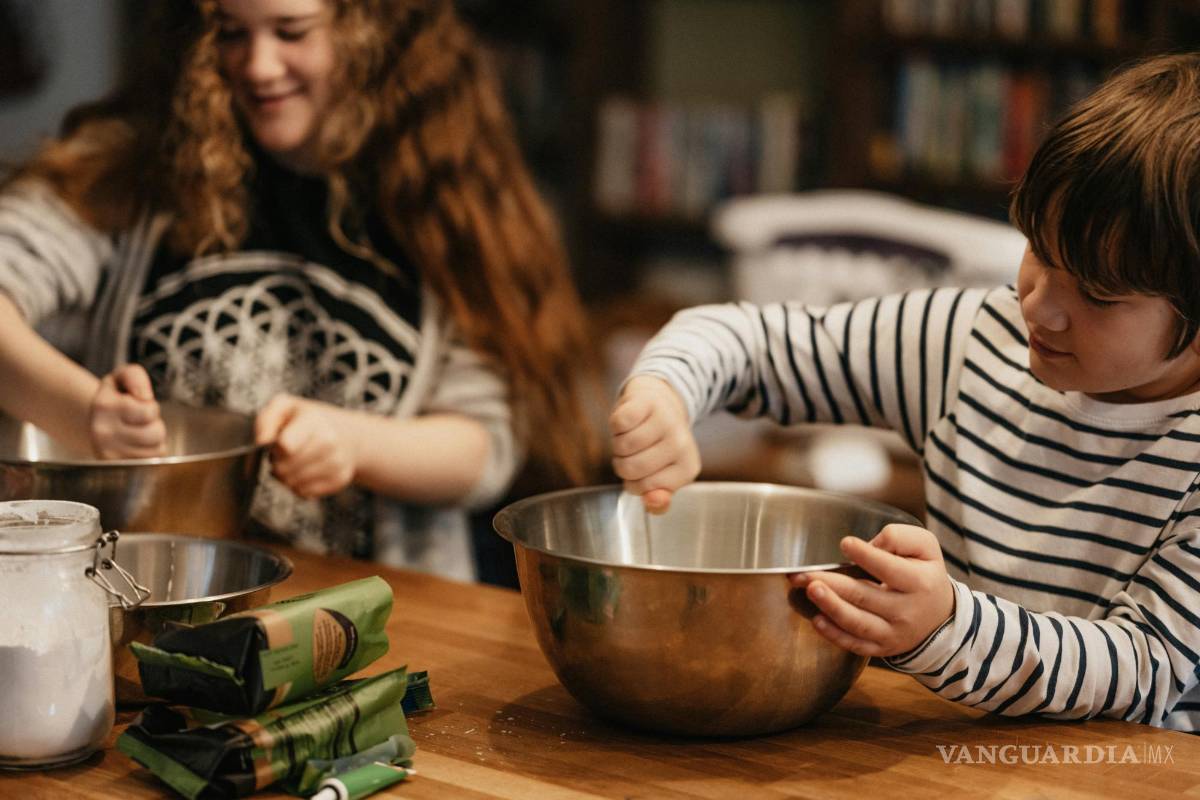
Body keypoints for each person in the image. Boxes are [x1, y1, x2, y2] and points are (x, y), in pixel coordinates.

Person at [610, 53, 1200, 730]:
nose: (1040, 308)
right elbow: (749, 341)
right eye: (1040, 249)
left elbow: (1145, 671)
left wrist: (947, 625)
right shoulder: (969, 341)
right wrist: (665, 392)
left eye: (1097, 295)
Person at [0, 0, 596, 579]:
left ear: (371, 30)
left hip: (370, 615)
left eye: (292, 31)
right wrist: (83, 414)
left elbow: (484, 449)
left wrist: (353, 443)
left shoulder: (445, 198)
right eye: (231, 32)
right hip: (141, 590)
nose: (257, 66)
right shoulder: (132, 170)